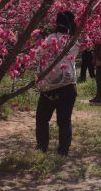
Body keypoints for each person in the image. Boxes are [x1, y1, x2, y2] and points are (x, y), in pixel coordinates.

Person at [35, 11, 79, 156]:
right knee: (64, 121)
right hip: (69, 85)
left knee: (42, 119)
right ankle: (63, 152)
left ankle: (42, 149)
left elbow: (37, 55)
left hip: (50, 87)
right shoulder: (73, 41)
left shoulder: (49, 39)